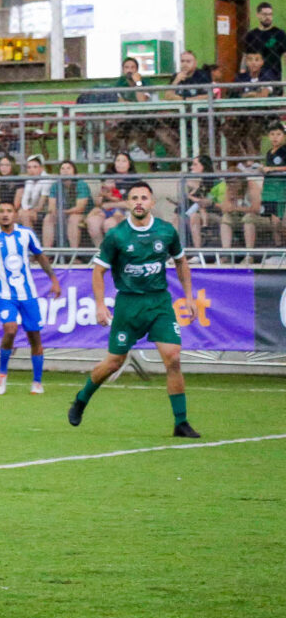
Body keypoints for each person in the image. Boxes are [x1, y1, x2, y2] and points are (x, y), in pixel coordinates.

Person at [68, 181, 200, 438]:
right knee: (113, 363)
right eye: (134, 198)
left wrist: (189, 297)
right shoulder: (117, 235)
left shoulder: (166, 231)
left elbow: (181, 261)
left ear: (151, 202)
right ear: (128, 203)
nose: (139, 201)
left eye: (144, 197)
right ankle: (81, 399)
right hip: (128, 305)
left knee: (173, 358)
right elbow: (99, 270)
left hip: (159, 302)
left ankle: (180, 422)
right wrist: (99, 305)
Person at [0, 200, 61, 395]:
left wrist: (53, 279)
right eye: (1, 211)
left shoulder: (26, 235)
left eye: (9, 211)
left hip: (28, 294)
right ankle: (2, 374)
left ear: (15, 215)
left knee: (34, 337)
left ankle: (37, 381)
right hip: (5, 294)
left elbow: (41, 256)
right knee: (10, 330)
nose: (5, 215)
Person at [223, 52, 279, 162]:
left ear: (262, 62)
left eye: (257, 59)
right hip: (242, 115)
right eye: (250, 59)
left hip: (263, 116)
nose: (253, 63)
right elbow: (234, 96)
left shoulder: (267, 75)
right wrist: (252, 94)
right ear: (246, 62)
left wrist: (249, 95)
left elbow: (263, 95)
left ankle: (253, 160)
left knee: (253, 128)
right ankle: (244, 158)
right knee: (227, 128)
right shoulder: (241, 77)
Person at [156, 51, 211, 155]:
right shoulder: (176, 77)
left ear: (195, 63)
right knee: (161, 133)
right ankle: (183, 160)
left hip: (199, 119)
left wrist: (183, 99)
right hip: (176, 120)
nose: (185, 64)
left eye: (188, 61)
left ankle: (200, 162)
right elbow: (167, 96)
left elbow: (206, 96)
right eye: (182, 61)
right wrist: (176, 81)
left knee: (204, 135)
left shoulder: (202, 76)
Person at [106, 57, 154, 154]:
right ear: (123, 70)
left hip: (144, 118)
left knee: (138, 133)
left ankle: (148, 156)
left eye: (133, 67)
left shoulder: (144, 81)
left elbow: (141, 102)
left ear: (137, 70)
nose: (130, 70)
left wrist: (138, 83)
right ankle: (115, 157)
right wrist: (130, 104)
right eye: (127, 67)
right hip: (125, 118)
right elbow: (121, 102)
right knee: (111, 132)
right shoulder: (120, 82)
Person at [43, 160, 94, 248]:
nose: (65, 171)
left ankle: (73, 254)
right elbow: (51, 205)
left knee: (73, 219)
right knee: (48, 218)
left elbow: (80, 208)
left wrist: (63, 212)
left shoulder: (81, 184)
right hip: (63, 212)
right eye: (62, 168)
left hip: (85, 214)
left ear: (74, 171)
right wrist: (54, 212)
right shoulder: (55, 185)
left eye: (68, 168)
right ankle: (46, 253)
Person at [87, 151, 136, 243]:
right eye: (118, 161)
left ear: (129, 164)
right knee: (92, 222)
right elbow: (100, 203)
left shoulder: (134, 181)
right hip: (105, 211)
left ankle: (115, 254)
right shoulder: (109, 178)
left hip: (124, 212)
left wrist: (109, 204)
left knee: (109, 224)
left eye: (124, 161)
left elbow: (131, 204)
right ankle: (101, 252)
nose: (120, 164)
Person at [242, 2, 286, 81]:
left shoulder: (279, 33)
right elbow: (245, 56)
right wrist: (242, 73)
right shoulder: (251, 35)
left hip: (274, 77)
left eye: (270, 14)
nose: (268, 17)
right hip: (254, 77)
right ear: (258, 15)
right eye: (265, 14)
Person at [18, 154, 52, 235]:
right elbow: (24, 200)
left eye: (35, 167)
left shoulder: (47, 180)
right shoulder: (28, 180)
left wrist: (29, 211)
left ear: (41, 168)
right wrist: (25, 210)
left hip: (44, 212)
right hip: (29, 211)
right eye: (29, 167)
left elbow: (41, 204)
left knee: (25, 216)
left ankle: (31, 244)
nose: (31, 170)